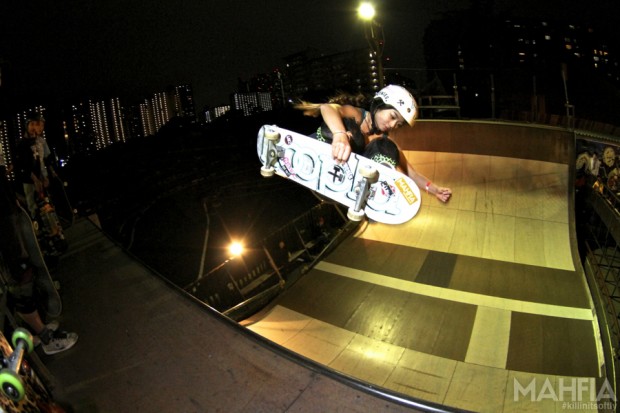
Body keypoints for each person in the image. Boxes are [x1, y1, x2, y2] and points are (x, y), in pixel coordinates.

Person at [296, 85, 452, 203]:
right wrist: (340, 134)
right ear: (379, 105)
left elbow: (412, 174)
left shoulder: (382, 143)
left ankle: (370, 191)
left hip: (336, 181)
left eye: (398, 124)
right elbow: (328, 108)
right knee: (352, 131)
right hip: (318, 148)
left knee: (387, 148)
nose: (392, 125)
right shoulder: (358, 115)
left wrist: (434, 189)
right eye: (392, 117)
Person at [0, 152, 78, 355]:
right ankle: (45, 338)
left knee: (26, 267)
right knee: (20, 274)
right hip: (2, 216)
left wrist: (13, 199)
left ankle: (36, 329)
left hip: (6, 206)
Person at [14, 112, 58, 219]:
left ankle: (50, 222)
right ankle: (36, 222)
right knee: (32, 205)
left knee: (45, 203)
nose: (34, 128)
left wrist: (46, 175)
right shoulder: (22, 143)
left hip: (39, 177)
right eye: (32, 124)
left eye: (36, 124)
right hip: (28, 179)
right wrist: (35, 180)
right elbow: (23, 165)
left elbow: (43, 160)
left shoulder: (38, 141)